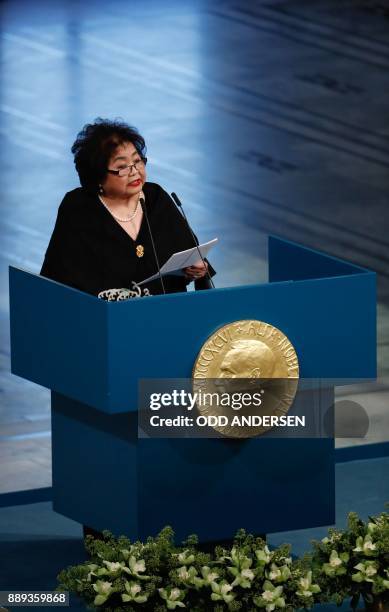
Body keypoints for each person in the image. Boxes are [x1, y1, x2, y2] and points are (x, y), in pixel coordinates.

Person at [40, 118, 215, 296]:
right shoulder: (78, 208)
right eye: (122, 167)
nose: (134, 171)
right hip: (106, 318)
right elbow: (59, 279)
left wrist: (197, 270)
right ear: (98, 175)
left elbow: (190, 256)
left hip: (166, 313)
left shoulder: (156, 198)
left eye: (137, 161)